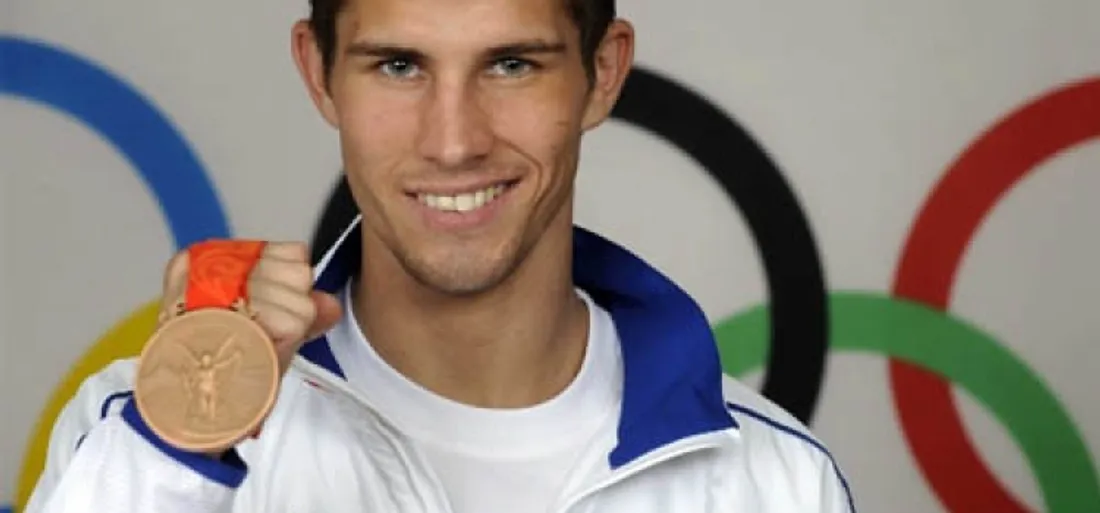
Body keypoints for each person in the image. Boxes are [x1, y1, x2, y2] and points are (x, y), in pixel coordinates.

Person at [23, 0, 856, 511]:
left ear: (602, 72)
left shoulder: (776, 479)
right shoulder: (138, 434)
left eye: (511, 64)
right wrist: (188, 435)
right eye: (398, 65)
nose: (454, 141)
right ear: (318, 72)